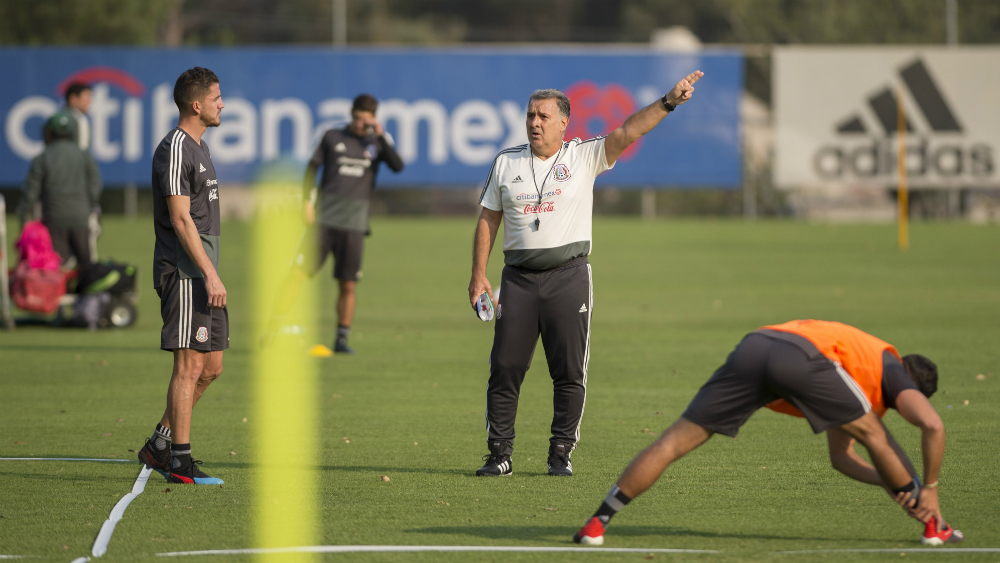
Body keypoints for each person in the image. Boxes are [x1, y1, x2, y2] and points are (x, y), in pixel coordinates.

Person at [468, 71, 704, 477]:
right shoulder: (506, 162)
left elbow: (629, 130)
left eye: (543, 116)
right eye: (529, 115)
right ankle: (499, 454)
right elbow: (488, 218)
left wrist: (668, 102)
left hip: (569, 278)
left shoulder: (583, 156)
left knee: (569, 371)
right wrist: (478, 275)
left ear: (564, 123)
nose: (534, 123)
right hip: (518, 281)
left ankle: (560, 453)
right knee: (505, 367)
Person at [573, 319, 964, 547]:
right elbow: (931, 423)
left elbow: (841, 458)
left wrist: (895, 485)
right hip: (801, 357)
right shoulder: (891, 368)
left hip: (756, 345)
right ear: (910, 386)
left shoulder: (854, 373)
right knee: (877, 436)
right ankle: (936, 527)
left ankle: (598, 522)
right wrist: (926, 486)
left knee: (673, 441)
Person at [136, 67, 227, 485]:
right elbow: (178, 218)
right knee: (189, 367)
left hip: (204, 272)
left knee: (211, 368)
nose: (221, 104)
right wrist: (208, 273)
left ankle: (160, 444)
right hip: (185, 272)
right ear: (196, 104)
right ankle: (180, 464)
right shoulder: (174, 148)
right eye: (216, 97)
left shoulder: (200, 148)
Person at [294, 93, 404, 354]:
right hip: (323, 219)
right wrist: (306, 202)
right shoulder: (332, 136)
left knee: (348, 283)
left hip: (354, 224)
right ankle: (277, 329)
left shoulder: (376, 144)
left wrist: (379, 135)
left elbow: (398, 166)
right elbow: (311, 169)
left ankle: (341, 339)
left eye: (365, 120)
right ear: (350, 114)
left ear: (374, 120)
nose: (359, 124)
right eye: (356, 118)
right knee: (297, 274)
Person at [18, 113, 101, 267]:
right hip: (81, 217)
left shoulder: (42, 158)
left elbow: (31, 192)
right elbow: (95, 185)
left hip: (54, 218)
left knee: (58, 267)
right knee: (86, 268)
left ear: (49, 132)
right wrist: (90, 207)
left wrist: (23, 216)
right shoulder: (84, 155)